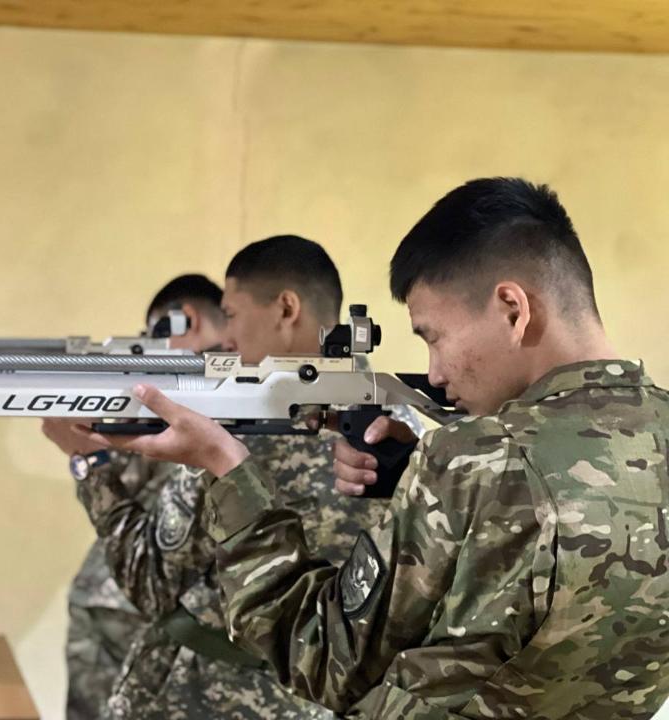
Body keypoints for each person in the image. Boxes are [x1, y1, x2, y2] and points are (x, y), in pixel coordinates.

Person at [92, 179, 669, 719]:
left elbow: (322, 656)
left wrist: (226, 467)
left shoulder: (475, 460)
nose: (435, 373)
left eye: (434, 337)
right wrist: (423, 478)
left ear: (513, 309)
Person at [69, 235, 421, 719]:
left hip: (205, 697)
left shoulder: (239, 431)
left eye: (231, 314)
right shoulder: (406, 431)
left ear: (286, 308)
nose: (226, 336)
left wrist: (88, 463)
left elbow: (150, 580)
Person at [43, 274, 225, 720]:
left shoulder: (208, 395)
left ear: (186, 319)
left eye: (154, 336)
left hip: (148, 608)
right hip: (133, 603)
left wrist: (88, 460)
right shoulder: (196, 391)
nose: (149, 351)